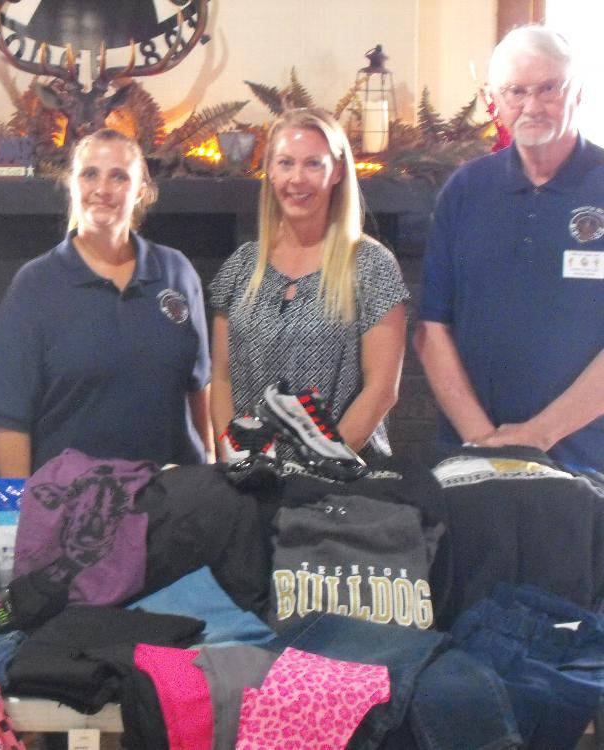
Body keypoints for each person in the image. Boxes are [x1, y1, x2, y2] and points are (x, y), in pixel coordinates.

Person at [414, 25, 604, 472]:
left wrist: (535, 437)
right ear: (494, 100)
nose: (532, 106)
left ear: (579, 91)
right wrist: (483, 441)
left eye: (549, 88)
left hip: (589, 462)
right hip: (472, 455)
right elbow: (432, 329)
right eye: (515, 91)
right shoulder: (464, 190)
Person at [0, 128, 212, 476]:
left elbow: (199, 388)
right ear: (72, 184)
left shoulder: (177, 272)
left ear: (141, 192)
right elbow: (9, 417)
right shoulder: (35, 284)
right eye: (90, 174)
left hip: (172, 504)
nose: (102, 189)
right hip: (72, 509)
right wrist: (17, 514)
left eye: (119, 176)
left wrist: (210, 466)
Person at [210, 107, 409, 458]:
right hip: (253, 481)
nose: (296, 179)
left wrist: (322, 464)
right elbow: (222, 378)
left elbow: (382, 390)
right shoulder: (241, 267)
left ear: (337, 172)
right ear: (270, 170)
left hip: (342, 485)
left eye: (313, 164)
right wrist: (233, 457)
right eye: (286, 163)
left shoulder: (372, 265)